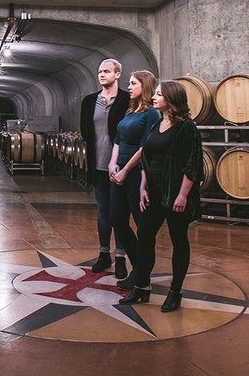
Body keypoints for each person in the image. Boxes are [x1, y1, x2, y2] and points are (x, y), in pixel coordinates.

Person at [119, 79, 203, 312]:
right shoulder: (158, 123)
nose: (154, 97)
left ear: (171, 99)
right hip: (154, 191)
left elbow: (193, 164)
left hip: (175, 192)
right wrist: (143, 186)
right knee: (144, 234)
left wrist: (183, 195)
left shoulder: (186, 127)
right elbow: (147, 156)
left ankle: (175, 292)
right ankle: (142, 286)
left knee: (178, 239)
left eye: (158, 94)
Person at [79, 59, 129, 277]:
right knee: (103, 212)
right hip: (98, 165)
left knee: (120, 213)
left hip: (121, 167)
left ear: (117, 74)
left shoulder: (127, 99)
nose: (101, 75)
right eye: (99, 71)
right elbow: (84, 131)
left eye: (106, 71)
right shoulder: (89, 101)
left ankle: (120, 257)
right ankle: (103, 254)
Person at [109, 70, 160, 283]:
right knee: (117, 219)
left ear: (145, 86)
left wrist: (125, 170)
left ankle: (142, 273)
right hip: (119, 170)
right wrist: (113, 162)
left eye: (133, 84)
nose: (128, 87)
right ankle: (138, 265)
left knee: (143, 227)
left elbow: (145, 146)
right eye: (129, 83)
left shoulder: (151, 114)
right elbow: (119, 138)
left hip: (137, 174)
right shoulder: (131, 110)